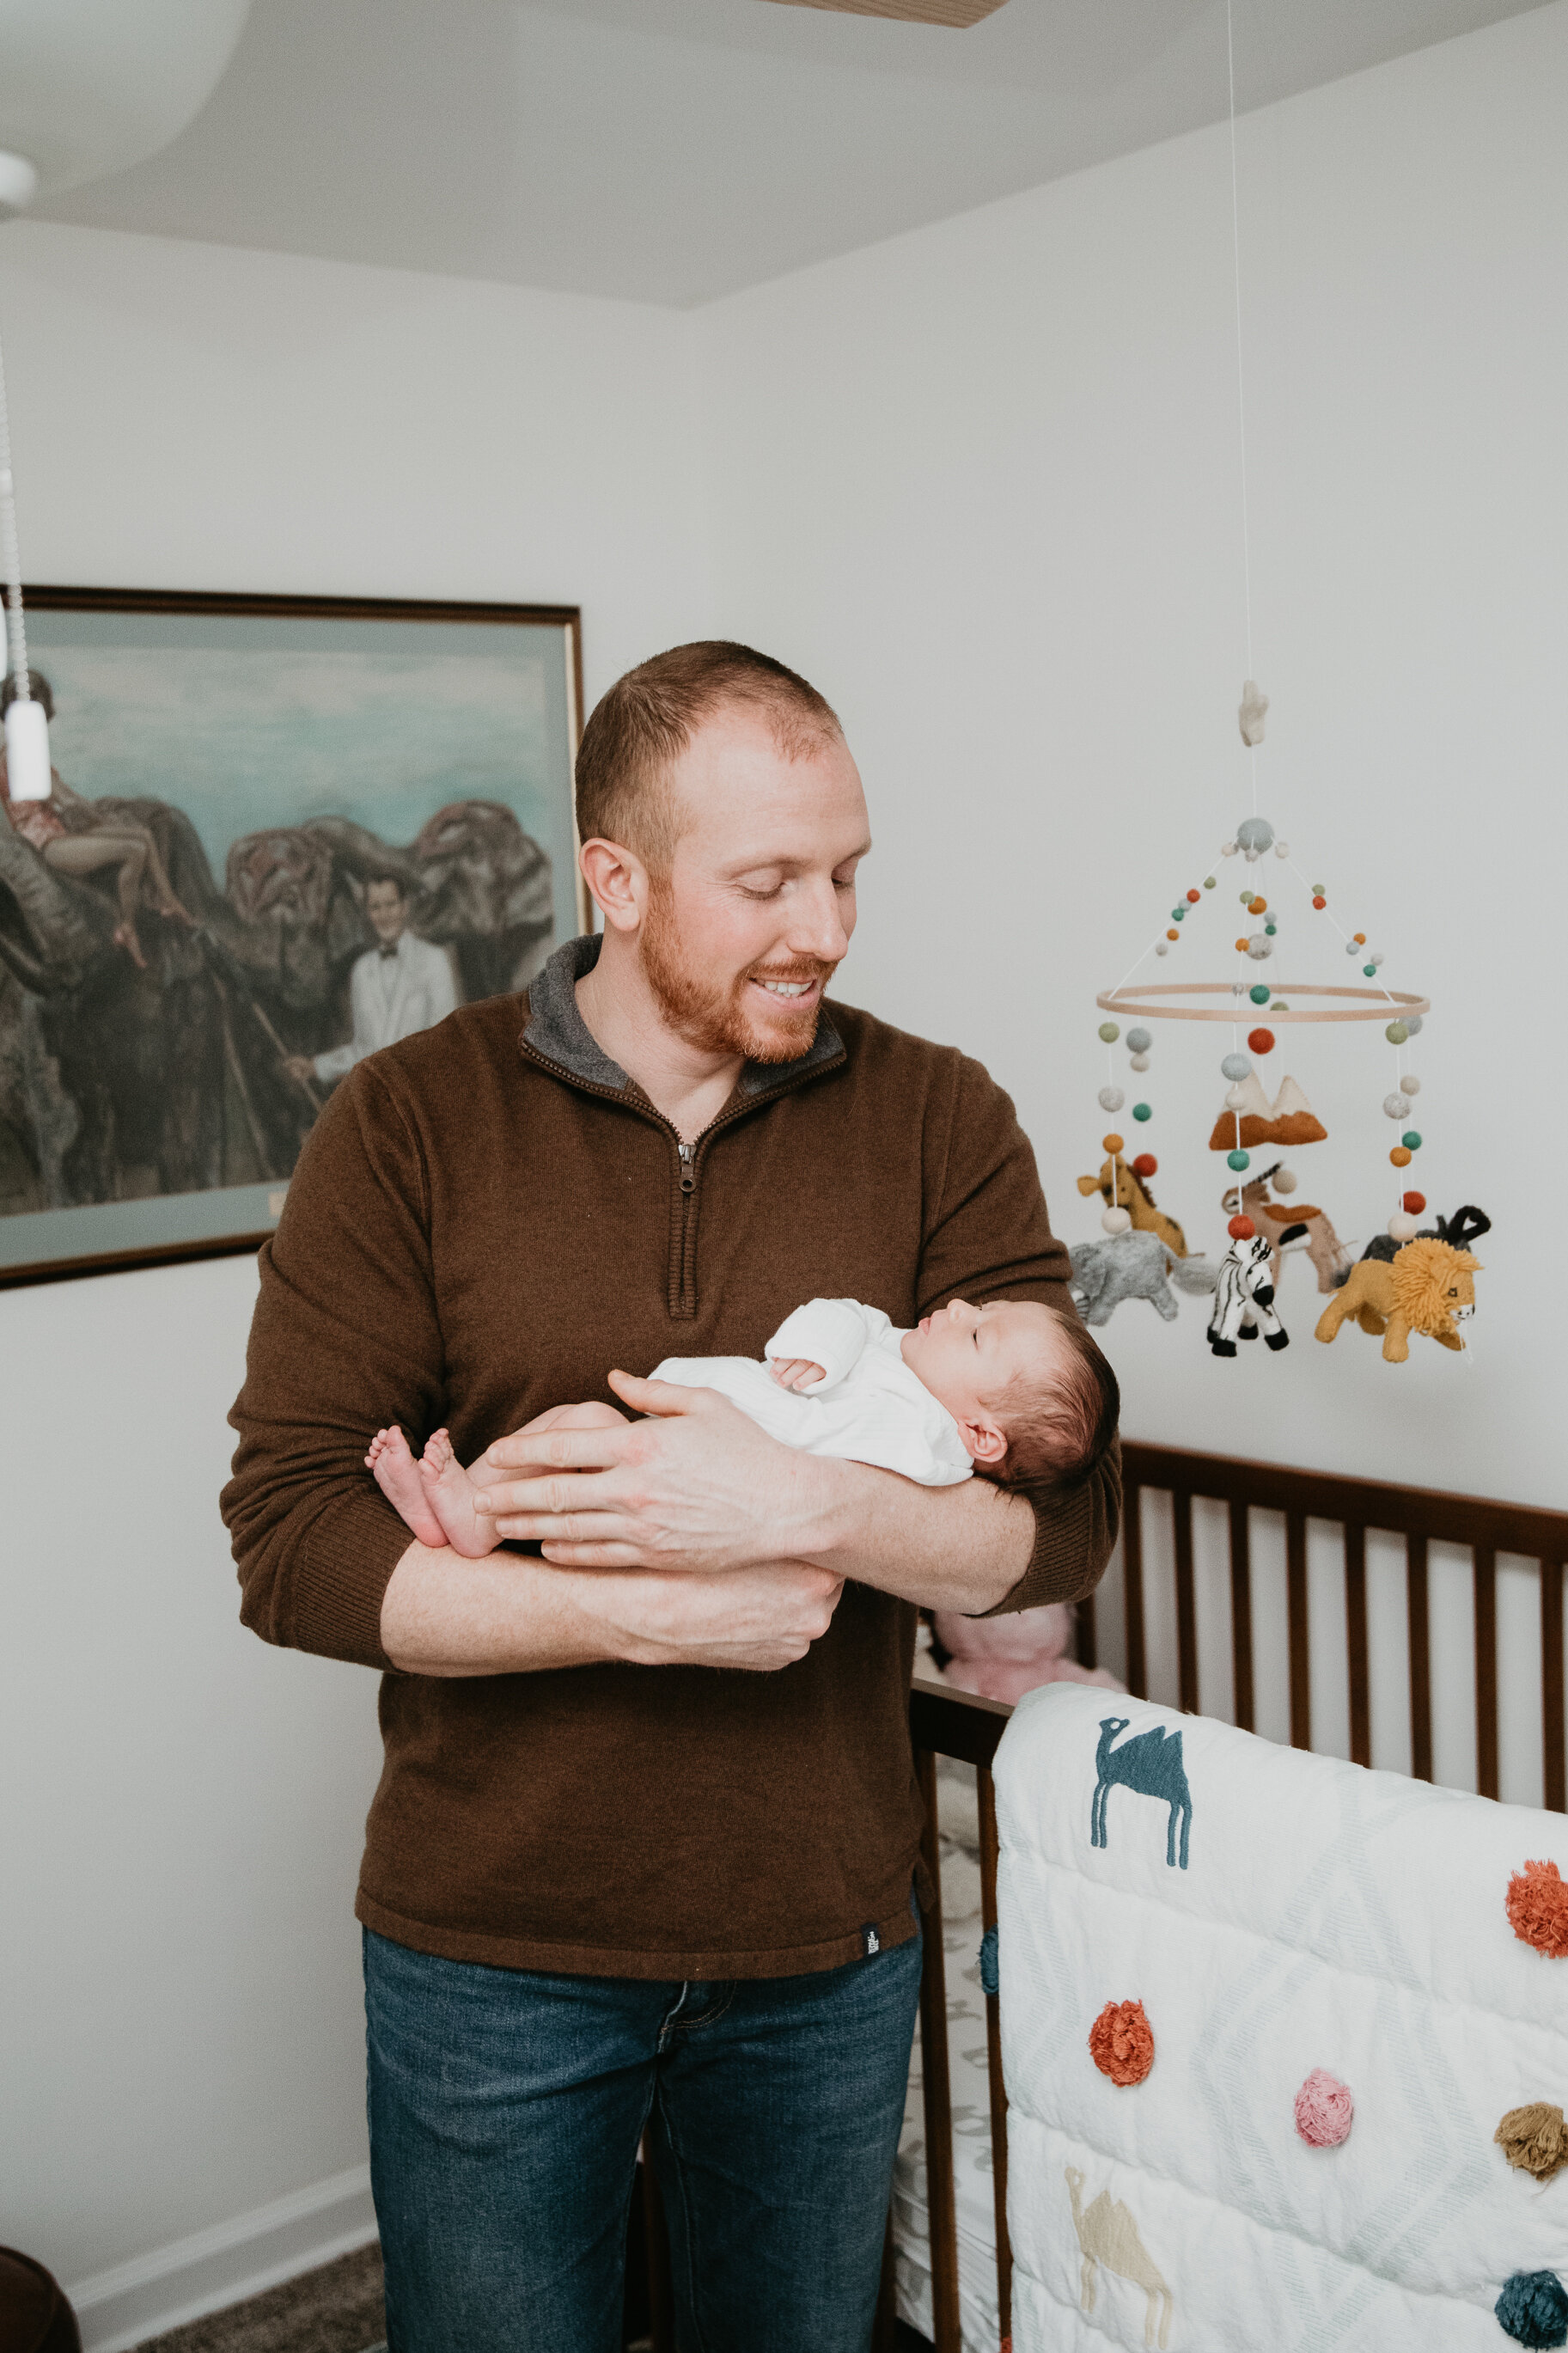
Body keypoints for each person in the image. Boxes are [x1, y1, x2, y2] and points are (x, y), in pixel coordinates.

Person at [223, 640, 1120, 2353]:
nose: (831, 926)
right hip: (490, 1945)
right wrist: (643, 1609)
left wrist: (797, 1506)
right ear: (616, 882)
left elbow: (1057, 1527)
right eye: (771, 879)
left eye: (849, 870)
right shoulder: (406, 1123)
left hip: (821, 1941)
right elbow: (291, 1543)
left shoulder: (938, 1116)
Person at [366, 1291, 1118, 1559]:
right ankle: (469, 1506)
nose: (959, 1309)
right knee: (573, 1422)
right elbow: (843, 1312)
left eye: (978, 1334)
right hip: (671, 1435)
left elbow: (836, 1486)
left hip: (704, 1493)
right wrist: (823, 1350)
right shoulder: (891, 1344)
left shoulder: (931, 1449)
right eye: (981, 1308)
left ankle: (476, 1514)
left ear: (982, 1437)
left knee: (584, 1430)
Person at [0, 669, 193, 969]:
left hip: (57, 833)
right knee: (134, 848)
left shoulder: (22, 751)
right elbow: (65, 799)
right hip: (44, 845)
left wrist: (100, 818)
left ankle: (169, 901)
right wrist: (101, 819)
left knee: (143, 834)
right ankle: (127, 927)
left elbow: (66, 798)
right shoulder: (20, 754)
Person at [281, 871, 458, 1087]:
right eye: (376, 907)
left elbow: (446, 1045)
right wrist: (314, 1067)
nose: (384, 915)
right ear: (368, 912)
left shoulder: (434, 961)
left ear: (405, 907)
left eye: (390, 904)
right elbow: (362, 1051)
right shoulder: (362, 971)